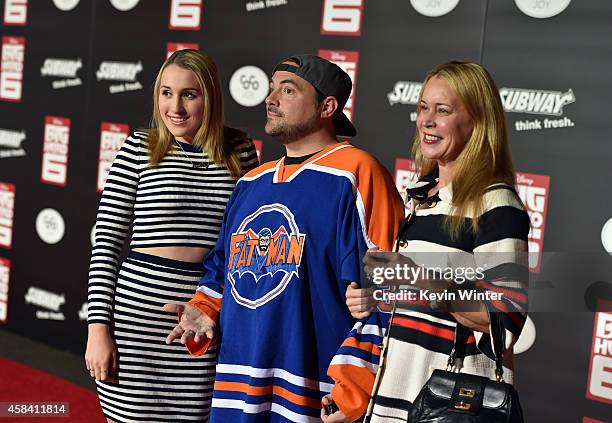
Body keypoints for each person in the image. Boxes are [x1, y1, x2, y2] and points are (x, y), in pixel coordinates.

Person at [163, 54, 406, 422]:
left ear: (328, 106)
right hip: (238, 384)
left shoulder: (357, 173)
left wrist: (356, 386)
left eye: (288, 90)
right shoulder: (250, 181)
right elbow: (222, 269)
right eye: (272, 88)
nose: (271, 98)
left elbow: (389, 287)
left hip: (315, 391)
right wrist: (205, 308)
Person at [324, 61, 531, 422]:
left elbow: (505, 317)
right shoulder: (419, 198)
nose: (427, 120)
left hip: (451, 408)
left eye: (443, 110)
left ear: (478, 121)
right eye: (423, 107)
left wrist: (420, 279)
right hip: (394, 403)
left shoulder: (495, 203)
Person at [85, 49, 259, 423]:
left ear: (209, 97)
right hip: (138, 322)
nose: (174, 107)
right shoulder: (139, 148)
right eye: (166, 93)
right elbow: (107, 244)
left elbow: (246, 244)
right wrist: (98, 331)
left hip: (205, 318)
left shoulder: (240, 151)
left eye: (189, 94)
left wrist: (220, 310)